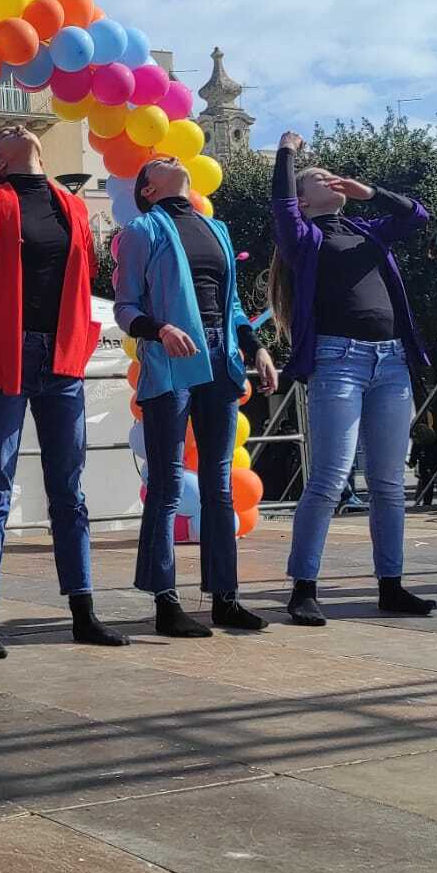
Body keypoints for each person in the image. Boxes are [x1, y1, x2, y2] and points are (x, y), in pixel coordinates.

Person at [0, 124, 128, 655]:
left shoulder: (73, 206)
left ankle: (83, 611)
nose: (10, 128)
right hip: (5, 361)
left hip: (63, 359)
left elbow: (83, 284)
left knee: (69, 490)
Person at [267, 132, 435, 626]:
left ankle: (391, 584)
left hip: (391, 363)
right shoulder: (304, 238)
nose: (331, 178)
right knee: (328, 479)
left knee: (387, 482)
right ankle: (303, 587)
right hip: (338, 360)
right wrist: (286, 153)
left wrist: (371, 193)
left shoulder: (369, 231)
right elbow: (280, 203)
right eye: (318, 178)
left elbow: (417, 216)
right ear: (303, 199)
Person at [115, 152, 276, 637]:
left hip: (221, 362)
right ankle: (166, 602)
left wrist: (257, 347)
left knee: (220, 484)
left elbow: (232, 305)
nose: (170, 156)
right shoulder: (142, 232)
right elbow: (125, 307)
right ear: (148, 189)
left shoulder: (217, 229)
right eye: (158, 162)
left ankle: (225, 597)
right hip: (171, 365)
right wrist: (159, 328)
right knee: (165, 484)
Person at [409, 411, 437, 508]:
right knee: (427, 490)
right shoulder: (417, 444)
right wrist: (412, 462)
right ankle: (427, 505)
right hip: (425, 468)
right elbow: (414, 456)